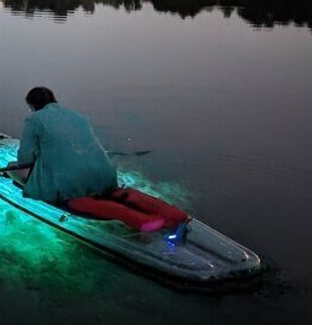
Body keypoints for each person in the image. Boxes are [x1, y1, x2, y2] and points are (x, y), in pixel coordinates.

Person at [11, 86, 184, 232]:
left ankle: (144, 222)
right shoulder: (77, 116)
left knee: (78, 198)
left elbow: (25, 155)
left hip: (72, 182)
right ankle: (176, 215)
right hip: (105, 174)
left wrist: (24, 168)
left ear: (33, 105)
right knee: (116, 193)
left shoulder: (35, 120)